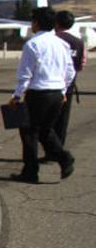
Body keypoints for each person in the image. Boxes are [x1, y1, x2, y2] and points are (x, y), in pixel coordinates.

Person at [8, 7, 76, 183]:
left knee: (29, 133)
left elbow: (25, 74)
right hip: (56, 93)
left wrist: (17, 96)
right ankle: (64, 157)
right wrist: (63, 91)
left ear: (36, 23)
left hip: (38, 93)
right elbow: (70, 71)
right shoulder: (62, 44)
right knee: (45, 130)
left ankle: (31, 171)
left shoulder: (32, 44)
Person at [52, 10, 86, 149]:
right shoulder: (78, 42)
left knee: (46, 119)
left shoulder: (52, 39)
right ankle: (59, 148)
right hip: (69, 83)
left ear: (56, 22)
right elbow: (80, 65)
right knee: (63, 118)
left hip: (51, 83)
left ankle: (52, 150)